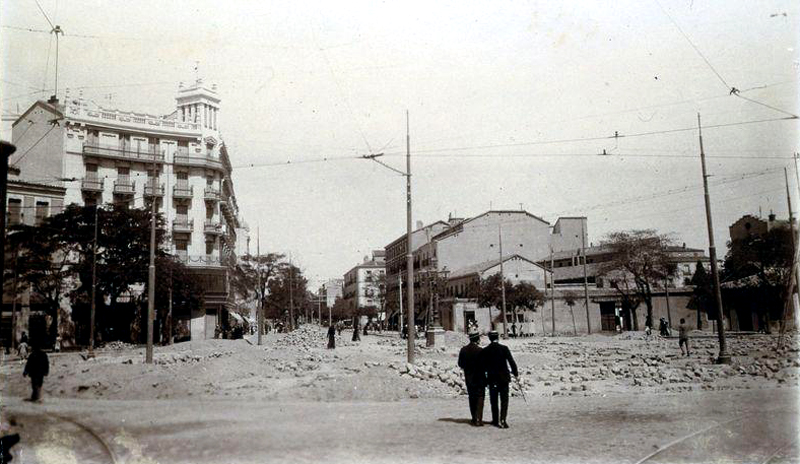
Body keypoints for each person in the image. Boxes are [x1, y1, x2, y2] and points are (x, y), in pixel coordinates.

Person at [481, 330, 518, 429]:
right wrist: (515, 372)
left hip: (492, 379)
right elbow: (511, 361)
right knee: (504, 400)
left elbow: (483, 366)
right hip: (504, 378)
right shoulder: (504, 348)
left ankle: (495, 419)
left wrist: (485, 377)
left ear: (489, 338)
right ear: (498, 337)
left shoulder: (485, 350)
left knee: (494, 400)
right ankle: (503, 419)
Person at [458, 331, 486, 426]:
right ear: (477, 339)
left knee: (472, 397)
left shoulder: (463, 350)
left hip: (469, 378)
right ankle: (479, 418)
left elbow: (460, 364)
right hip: (480, 378)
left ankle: (474, 417)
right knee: (480, 397)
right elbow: (484, 365)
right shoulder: (481, 351)